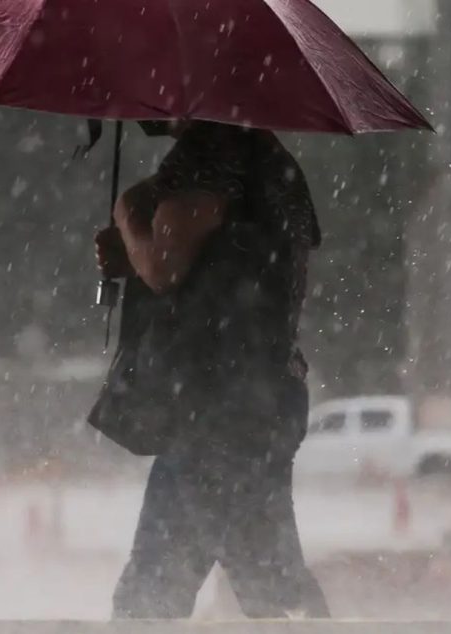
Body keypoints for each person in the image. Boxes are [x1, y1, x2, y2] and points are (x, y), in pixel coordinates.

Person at [93, 120, 330, 619]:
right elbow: (224, 268)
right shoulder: (270, 158)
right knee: (164, 590)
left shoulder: (212, 152)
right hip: (251, 400)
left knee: (266, 588)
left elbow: (164, 265)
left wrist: (128, 217)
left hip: (216, 409)